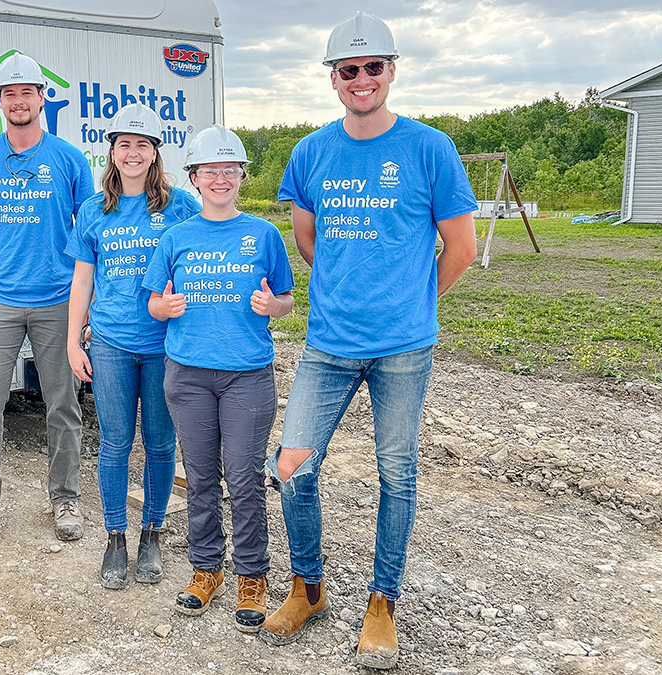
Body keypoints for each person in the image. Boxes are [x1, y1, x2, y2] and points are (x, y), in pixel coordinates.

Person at [260, 12, 478, 669]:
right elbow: (305, 238)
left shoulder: (429, 148)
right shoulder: (311, 153)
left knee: (395, 472)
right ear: (333, 79)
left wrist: (410, 303)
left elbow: (461, 248)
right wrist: (346, 294)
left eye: (373, 67)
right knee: (291, 467)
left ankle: (383, 601)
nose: (361, 79)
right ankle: (309, 585)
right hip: (329, 343)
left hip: (404, 349)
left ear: (391, 71)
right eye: (348, 70)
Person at [142, 125, 295, 632]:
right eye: (211, 171)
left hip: (246, 376)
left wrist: (274, 305)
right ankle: (206, 568)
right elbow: (153, 302)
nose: (221, 179)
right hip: (187, 374)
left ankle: (252, 574)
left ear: (241, 176)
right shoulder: (176, 237)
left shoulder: (263, 235)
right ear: (195, 177)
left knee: (245, 476)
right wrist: (163, 306)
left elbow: (288, 301)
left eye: (230, 170)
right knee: (203, 475)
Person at [0, 52, 95, 542]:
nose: (17, 101)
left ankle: (65, 498)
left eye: (26, 92)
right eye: (8, 94)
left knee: (63, 404)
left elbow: (90, 238)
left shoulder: (70, 160)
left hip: (57, 301)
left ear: (42, 97)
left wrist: (85, 306)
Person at [65, 103, 201, 589]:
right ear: (113, 151)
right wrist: (71, 341)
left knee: (162, 444)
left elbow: (203, 260)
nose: (133, 152)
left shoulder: (179, 206)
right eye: (124, 143)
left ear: (155, 152)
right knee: (116, 443)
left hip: (167, 346)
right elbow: (82, 282)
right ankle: (115, 537)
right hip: (111, 343)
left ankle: (153, 534)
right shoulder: (92, 210)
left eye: (142, 143)